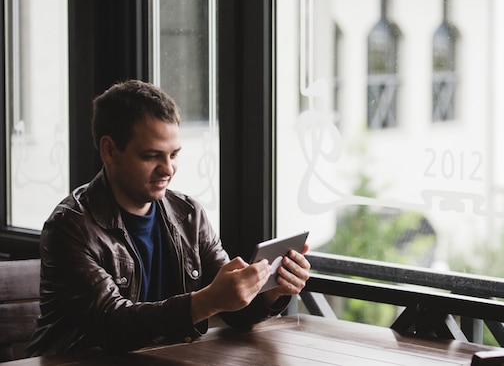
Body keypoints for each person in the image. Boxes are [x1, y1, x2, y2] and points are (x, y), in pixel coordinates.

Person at [25, 80, 310, 356]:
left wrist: (272, 289)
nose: (168, 169)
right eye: (152, 156)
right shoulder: (69, 227)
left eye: (174, 154)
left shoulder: (188, 215)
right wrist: (206, 300)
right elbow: (111, 325)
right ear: (109, 150)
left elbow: (232, 309)